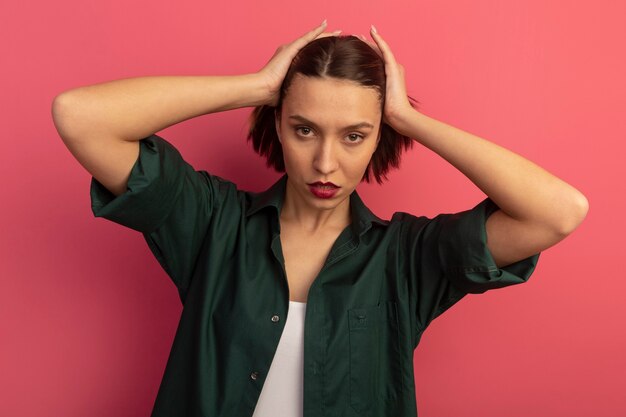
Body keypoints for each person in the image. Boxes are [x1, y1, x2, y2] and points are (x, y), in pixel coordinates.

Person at [52, 19, 588, 417]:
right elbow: (80, 117)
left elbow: (559, 211)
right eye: (304, 129)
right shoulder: (212, 224)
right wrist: (257, 87)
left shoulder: (406, 257)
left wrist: (406, 118)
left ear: (379, 136)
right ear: (277, 126)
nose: (326, 163)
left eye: (355, 135)